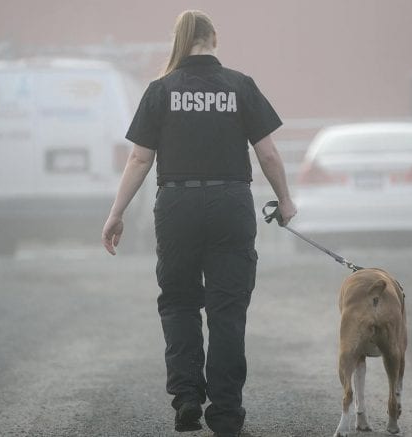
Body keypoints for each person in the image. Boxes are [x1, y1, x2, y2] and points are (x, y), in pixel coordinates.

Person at [101, 10, 296, 437]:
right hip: (231, 203)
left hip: (177, 204)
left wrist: (116, 214)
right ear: (213, 39)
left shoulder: (160, 90)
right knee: (228, 310)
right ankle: (226, 415)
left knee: (180, 302)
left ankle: (187, 398)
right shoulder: (240, 86)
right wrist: (284, 200)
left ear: (181, 41)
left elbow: (139, 158)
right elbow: (267, 154)